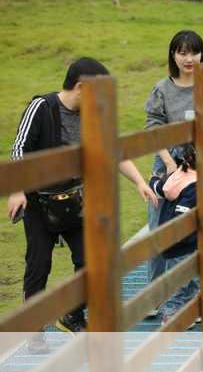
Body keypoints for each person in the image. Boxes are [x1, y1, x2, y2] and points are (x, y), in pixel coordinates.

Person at [6, 57, 158, 352]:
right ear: (80, 86)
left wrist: (140, 182)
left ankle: (73, 314)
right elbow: (19, 148)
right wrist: (17, 189)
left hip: (76, 201)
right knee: (39, 266)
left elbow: (113, 149)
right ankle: (34, 331)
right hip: (39, 203)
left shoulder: (93, 114)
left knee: (92, 261)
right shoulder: (42, 107)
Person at [143, 30, 203, 312]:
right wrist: (169, 163)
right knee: (159, 228)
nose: (188, 58)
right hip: (167, 167)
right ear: (173, 55)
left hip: (200, 169)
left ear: (202, 54)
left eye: (193, 52)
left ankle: (192, 295)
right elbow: (152, 128)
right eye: (182, 52)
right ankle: (156, 294)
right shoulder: (162, 89)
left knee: (197, 233)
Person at [148, 144, 198, 327]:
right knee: (180, 279)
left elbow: (160, 188)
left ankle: (193, 304)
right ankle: (173, 314)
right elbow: (183, 213)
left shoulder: (175, 177)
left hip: (168, 239)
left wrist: (152, 180)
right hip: (183, 240)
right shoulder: (195, 183)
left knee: (185, 277)